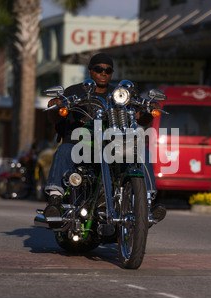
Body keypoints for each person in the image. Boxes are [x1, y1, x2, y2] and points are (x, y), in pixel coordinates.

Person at [44, 53, 166, 222]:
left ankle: (148, 202)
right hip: (81, 146)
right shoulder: (74, 91)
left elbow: (141, 116)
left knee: (142, 153)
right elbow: (56, 117)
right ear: (90, 71)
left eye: (108, 70)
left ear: (112, 73)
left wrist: (149, 110)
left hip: (112, 147)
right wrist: (56, 105)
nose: (103, 73)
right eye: (98, 69)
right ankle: (55, 201)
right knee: (64, 149)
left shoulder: (121, 93)